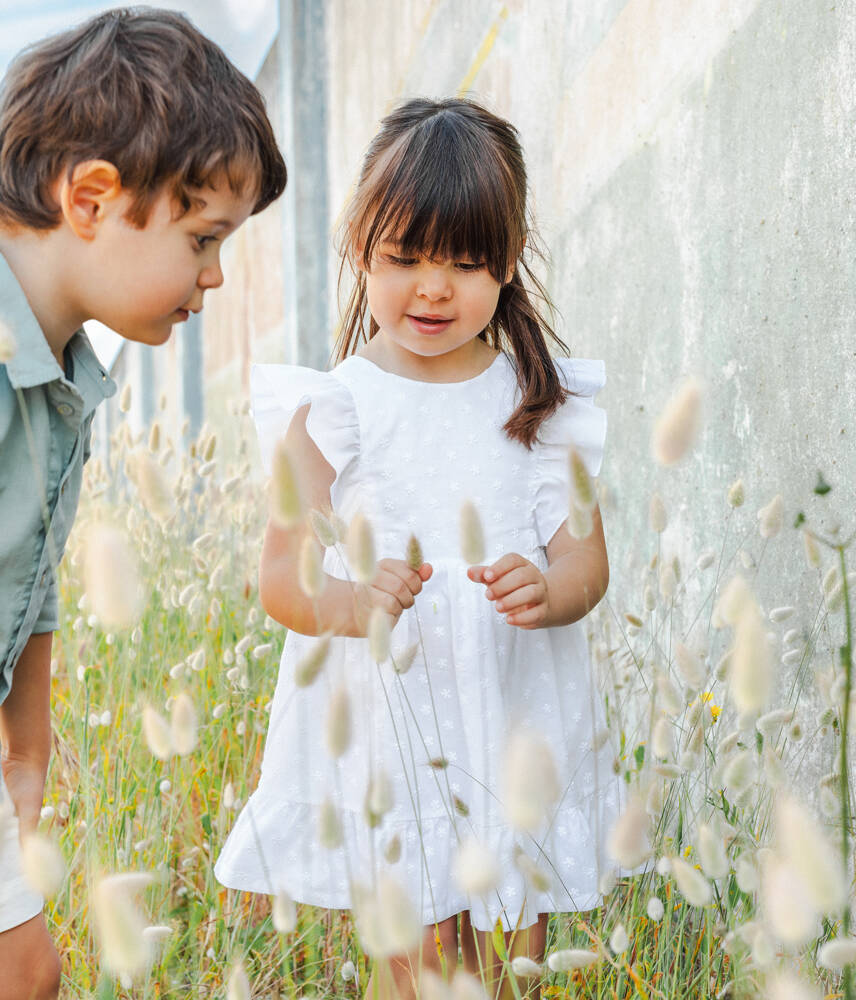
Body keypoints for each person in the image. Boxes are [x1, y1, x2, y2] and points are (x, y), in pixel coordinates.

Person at [0, 8, 285, 999]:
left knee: (28, 975)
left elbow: (29, 583)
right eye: (202, 237)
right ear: (92, 197)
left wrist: (29, 752)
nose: (215, 274)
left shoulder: (56, 384)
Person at [214, 97, 621, 1000]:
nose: (433, 289)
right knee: (420, 968)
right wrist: (358, 603)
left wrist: (550, 591)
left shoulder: (542, 408)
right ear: (362, 246)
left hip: (512, 711)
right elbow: (281, 581)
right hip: (395, 723)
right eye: (404, 259)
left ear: (509, 263)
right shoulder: (333, 410)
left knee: (515, 963)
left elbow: (588, 562)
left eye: (466, 264)